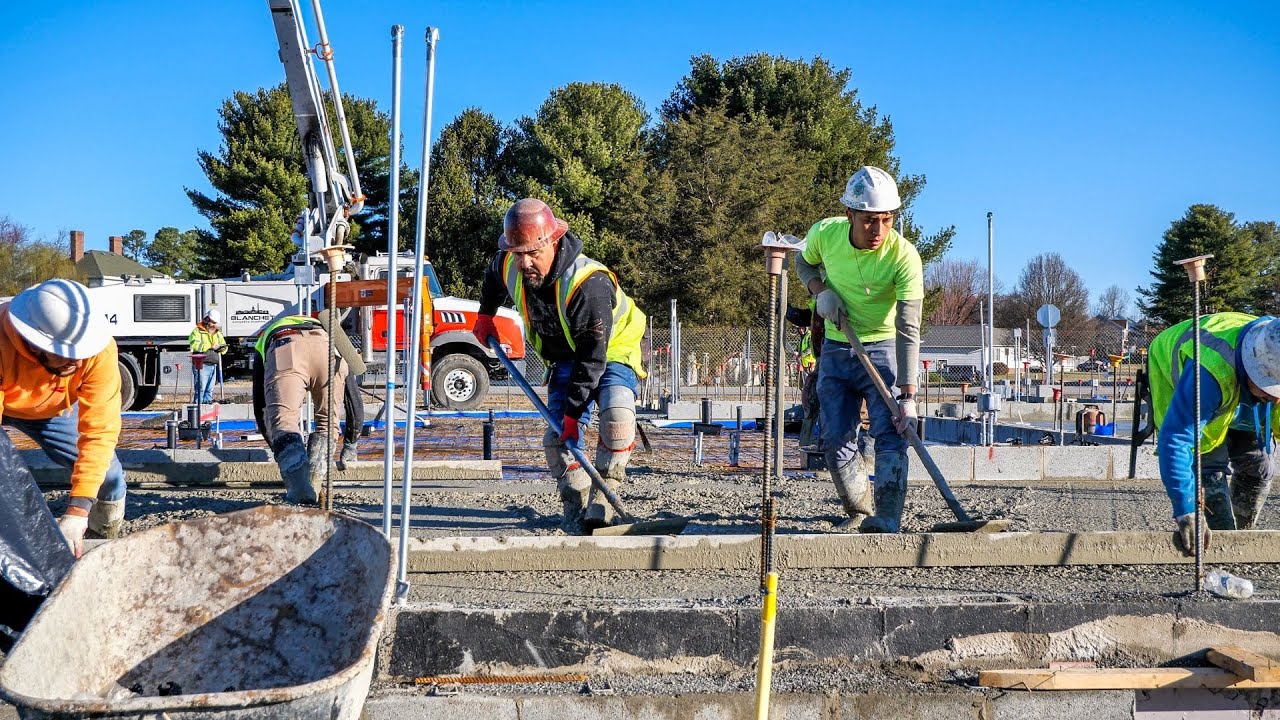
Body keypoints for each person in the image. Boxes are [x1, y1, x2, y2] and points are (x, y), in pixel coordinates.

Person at [474, 198, 647, 534]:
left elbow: (593, 359)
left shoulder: (587, 284)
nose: (524, 262)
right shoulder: (508, 263)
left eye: (532, 253)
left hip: (611, 350)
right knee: (557, 439)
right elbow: (494, 275)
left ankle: (606, 495)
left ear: (552, 242)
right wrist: (486, 314)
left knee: (618, 416)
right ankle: (575, 503)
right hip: (566, 355)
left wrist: (573, 416)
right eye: (517, 252)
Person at [796, 166, 924, 533]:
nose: (879, 231)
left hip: (884, 346)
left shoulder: (903, 256)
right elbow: (802, 261)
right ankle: (859, 509)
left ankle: (887, 517)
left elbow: (908, 327)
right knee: (836, 437)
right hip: (838, 347)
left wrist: (908, 395)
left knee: (891, 430)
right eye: (869, 221)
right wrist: (821, 291)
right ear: (850, 214)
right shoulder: (825, 234)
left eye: (886, 220)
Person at [0, 279, 126, 556]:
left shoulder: (99, 350)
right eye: (66, 355)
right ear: (33, 341)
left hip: (54, 411)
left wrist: (78, 511)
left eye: (81, 353)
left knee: (109, 476)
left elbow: (100, 432)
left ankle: (100, 537)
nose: (78, 363)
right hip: (5, 401)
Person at [1147, 311, 1279, 555]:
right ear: (1253, 368)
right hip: (1178, 364)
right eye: (1269, 389)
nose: (1275, 397)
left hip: (1236, 379)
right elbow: (1177, 438)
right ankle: (1222, 549)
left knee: (1260, 467)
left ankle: (1242, 536)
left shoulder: (1273, 358)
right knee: (1209, 467)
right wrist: (1186, 509)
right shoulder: (1208, 373)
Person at [251, 307, 361, 504]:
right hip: (326, 349)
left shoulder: (266, 335)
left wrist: (277, 445)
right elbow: (353, 397)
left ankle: (301, 492)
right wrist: (351, 443)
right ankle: (315, 484)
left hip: (285, 347)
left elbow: (261, 405)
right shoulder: (332, 331)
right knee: (327, 424)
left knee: (285, 424)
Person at [188, 308, 227, 404]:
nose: (214, 325)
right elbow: (194, 345)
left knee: (209, 391)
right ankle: (198, 411)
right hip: (201, 365)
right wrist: (210, 346)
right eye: (213, 322)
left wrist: (222, 349)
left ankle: (206, 411)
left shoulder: (217, 333)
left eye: (215, 323)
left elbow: (223, 345)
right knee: (200, 389)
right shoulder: (197, 332)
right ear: (207, 320)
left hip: (213, 364)